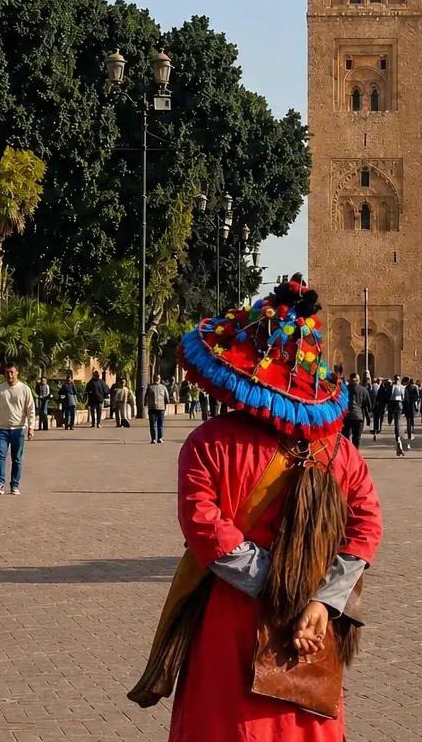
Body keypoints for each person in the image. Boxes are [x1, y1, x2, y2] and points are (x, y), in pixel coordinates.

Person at [128, 274, 382, 741]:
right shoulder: (339, 452)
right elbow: (366, 526)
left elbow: (205, 527)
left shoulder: (208, 444)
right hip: (308, 631)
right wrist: (321, 601)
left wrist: (276, 583)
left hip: (231, 623)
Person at [0, 364, 35, 495]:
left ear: (17, 373)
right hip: (2, 429)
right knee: (1, 456)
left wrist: (31, 427)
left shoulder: (25, 389)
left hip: (18, 429)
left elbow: (30, 410)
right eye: (7, 373)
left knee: (17, 458)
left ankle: (15, 485)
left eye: (12, 372)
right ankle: (0, 483)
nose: (9, 375)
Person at [342, 374, 367, 448]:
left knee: (345, 437)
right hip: (358, 417)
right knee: (356, 438)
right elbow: (367, 403)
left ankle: (347, 454)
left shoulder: (344, 389)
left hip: (346, 416)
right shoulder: (363, 389)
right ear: (358, 380)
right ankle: (355, 454)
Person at [146, 374, 171, 444]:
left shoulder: (160, 387)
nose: (157, 379)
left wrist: (166, 405)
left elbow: (166, 398)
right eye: (157, 378)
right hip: (156, 408)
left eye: (158, 378)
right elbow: (146, 396)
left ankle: (157, 438)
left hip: (157, 408)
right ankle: (156, 438)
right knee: (156, 424)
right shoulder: (153, 387)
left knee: (157, 424)